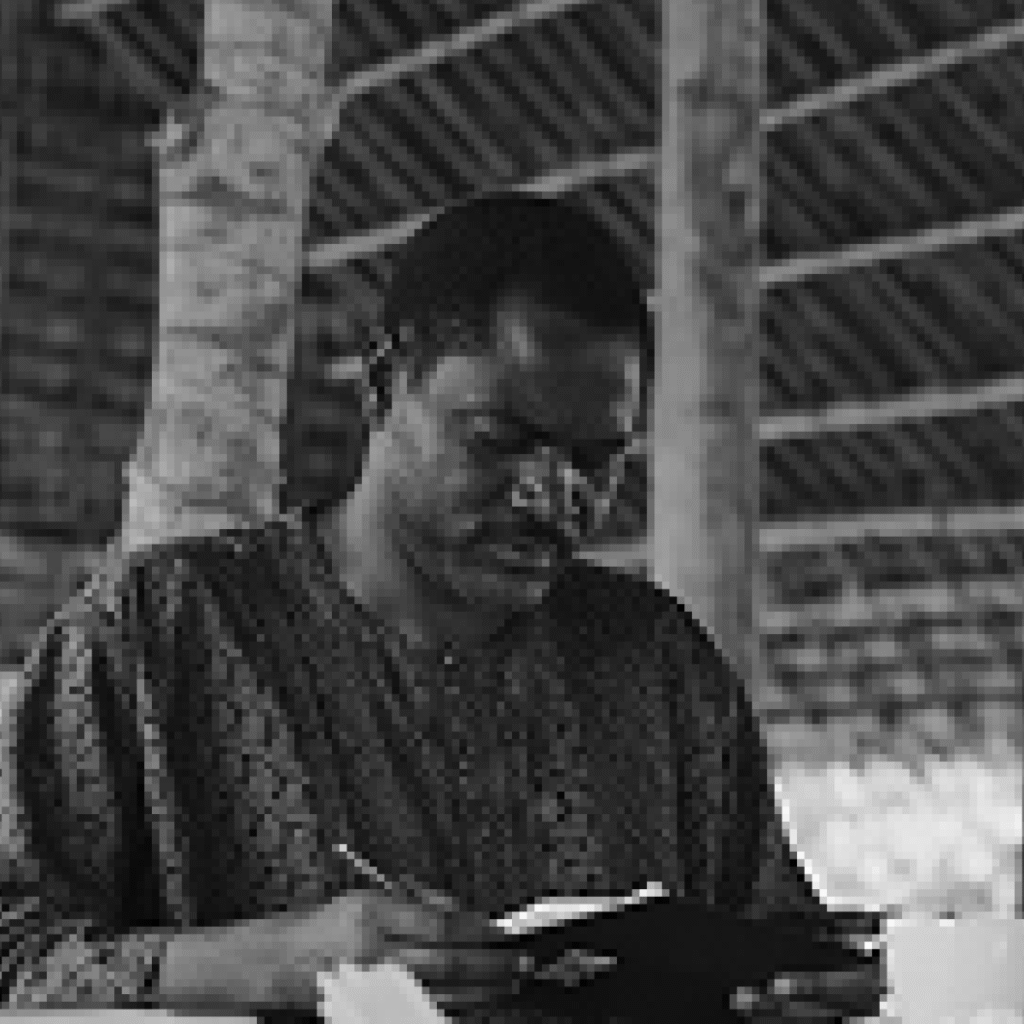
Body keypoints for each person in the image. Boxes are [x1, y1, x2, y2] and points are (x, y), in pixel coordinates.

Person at [0, 192, 885, 1024]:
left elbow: (779, 939)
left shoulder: (658, 665)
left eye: (597, 459)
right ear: (383, 386)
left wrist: (834, 985)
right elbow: (12, 951)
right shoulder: (156, 635)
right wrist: (264, 964)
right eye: (500, 442)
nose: (552, 497)